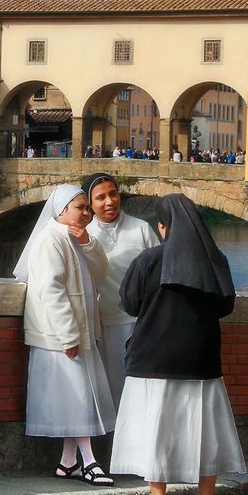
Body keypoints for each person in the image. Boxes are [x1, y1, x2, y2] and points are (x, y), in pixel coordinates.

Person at [110, 194, 246, 495]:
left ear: (162, 226)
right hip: (201, 361)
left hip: (152, 360)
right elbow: (225, 306)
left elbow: (129, 303)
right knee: (206, 435)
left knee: (155, 433)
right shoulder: (216, 261)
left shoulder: (149, 260)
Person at [13, 184, 117, 486]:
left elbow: (100, 274)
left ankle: (68, 461)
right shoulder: (49, 241)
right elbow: (51, 290)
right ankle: (89, 460)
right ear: (62, 211)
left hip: (78, 332)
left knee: (80, 394)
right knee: (79, 397)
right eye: (80, 207)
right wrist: (68, 335)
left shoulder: (74, 237)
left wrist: (88, 244)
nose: (86, 213)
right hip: (60, 336)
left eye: (87, 208)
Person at [81, 173, 159, 410]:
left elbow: (159, 273)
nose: (109, 202)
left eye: (113, 194)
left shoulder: (142, 229)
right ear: (90, 203)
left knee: (143, 388)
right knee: (112, 388)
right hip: (103, 324)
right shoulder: (84, 235)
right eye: (101, 197)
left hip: (141, 322)